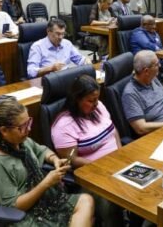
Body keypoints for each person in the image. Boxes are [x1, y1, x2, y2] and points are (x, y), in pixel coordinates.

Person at [0, 99, 94, 227]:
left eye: (28, 123)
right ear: (4, 130)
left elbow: (42, 151)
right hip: (22, 217)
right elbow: (13, 208)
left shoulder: (21, 143)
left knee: (86, 200)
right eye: (22, 127)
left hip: (42, 204)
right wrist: (46, 183)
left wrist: (55, 159)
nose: (28, 130)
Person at [51, 75, 124, 227]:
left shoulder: (99, 108)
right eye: (91, 101)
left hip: (117, 164)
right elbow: (72, 159)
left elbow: (112, 129)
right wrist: (102, 166)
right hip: (92, 175)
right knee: (112, 201)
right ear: (76, 100)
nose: (96, 104)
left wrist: (120, 153)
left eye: (97, 99)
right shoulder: (63, 126)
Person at [122, 50, 163, 135]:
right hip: (161, 133)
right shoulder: (130, 94)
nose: (160, 65)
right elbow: (141, 128)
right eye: (156, 64)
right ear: (146, 71)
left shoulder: (152, 79)